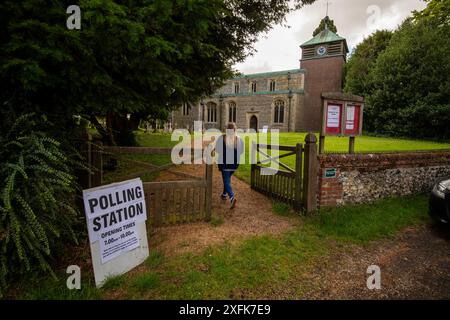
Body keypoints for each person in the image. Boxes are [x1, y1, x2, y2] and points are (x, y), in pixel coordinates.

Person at [215, 123, 244, 209]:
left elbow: (217, 150)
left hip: (225, 163)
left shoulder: (222, 138)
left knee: (226, 181)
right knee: (227, 179)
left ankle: (232, 197)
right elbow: (241, 152)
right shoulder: (238, 139)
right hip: (235, 163)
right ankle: (224, 194)